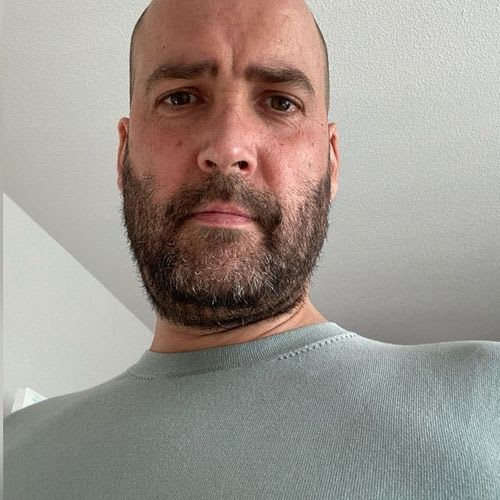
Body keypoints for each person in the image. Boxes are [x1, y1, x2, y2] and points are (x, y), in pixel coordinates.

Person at [4, 0, 499, 498]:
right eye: (180, 98)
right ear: (123, 152)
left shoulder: (486, 400)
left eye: (280, 103)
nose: (227, 147)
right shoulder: (13, 451)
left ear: (330, 163)